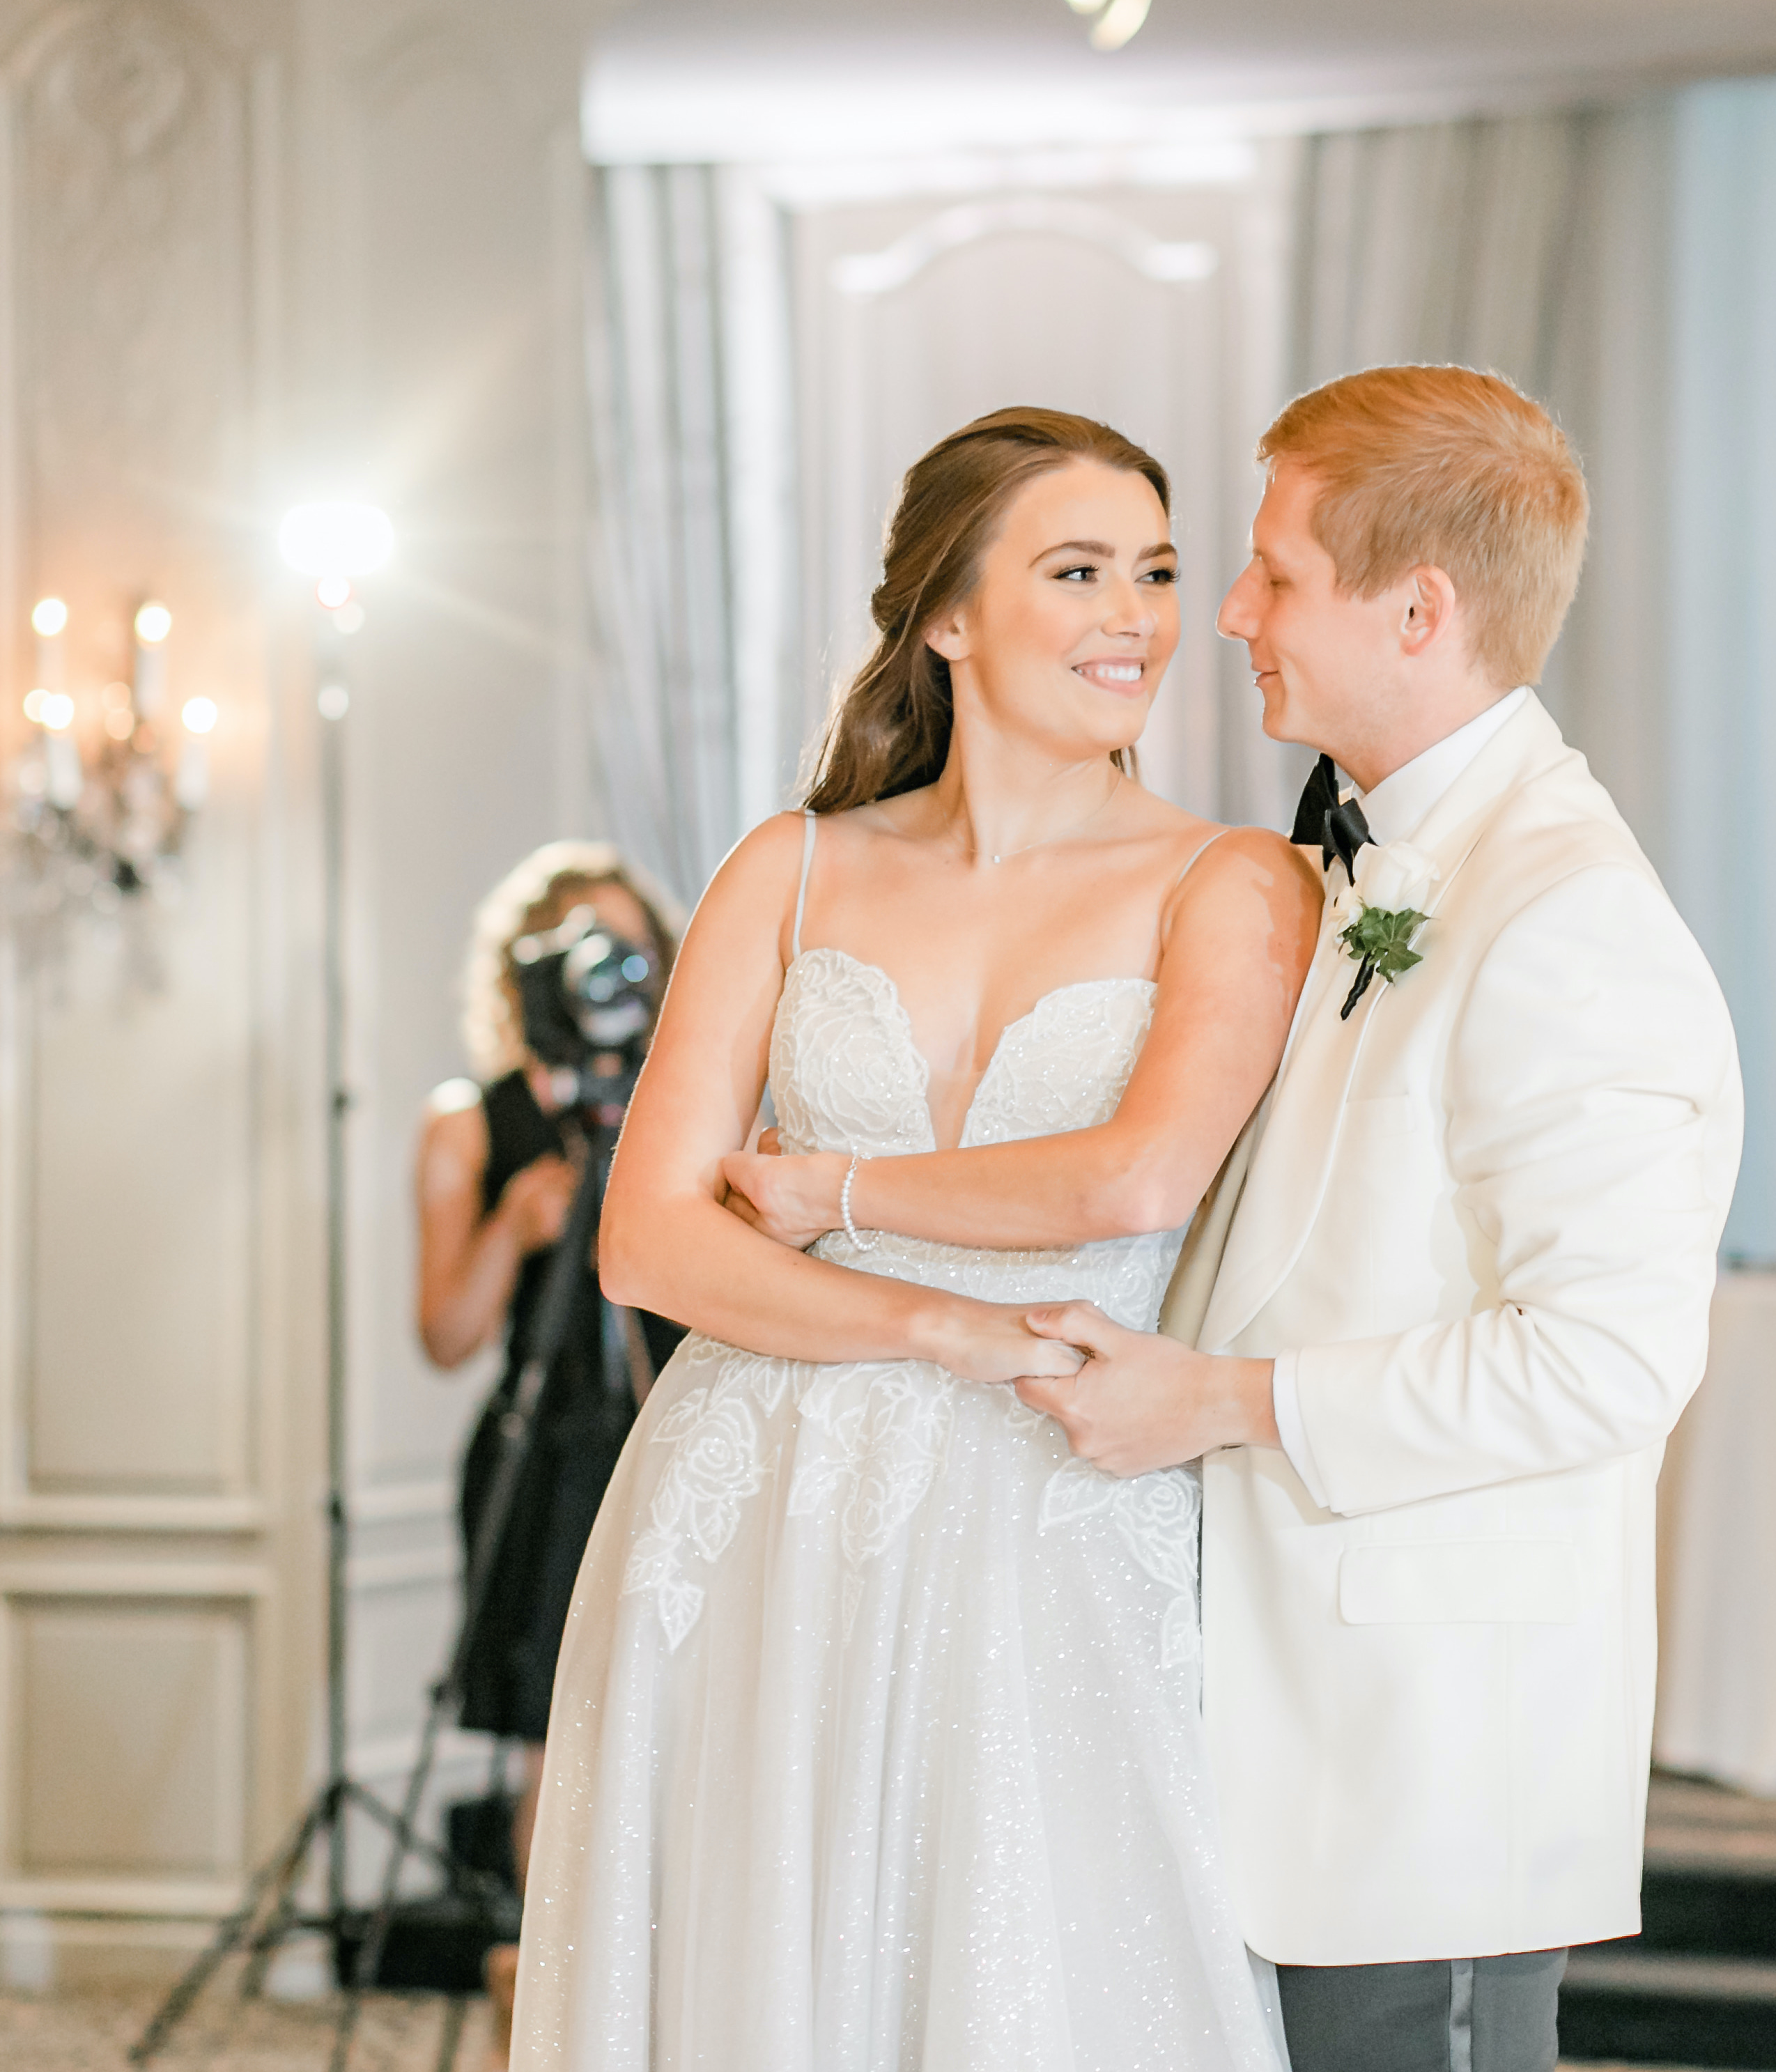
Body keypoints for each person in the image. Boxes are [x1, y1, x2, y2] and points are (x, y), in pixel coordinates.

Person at [725, 368, 1745, 2072]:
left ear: (1417, 609)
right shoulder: (1370, 861)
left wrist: (1223, 1399)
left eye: (1271, 573)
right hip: (1240, 1733)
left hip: (1424, 1767)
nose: (1230, 616)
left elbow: (1606, 1364)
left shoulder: (1567, 913)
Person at [511, 407, 1322, 2071]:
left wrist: (837, 1200)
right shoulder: (790, 869)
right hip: (750, 1508)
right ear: (946, 613)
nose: (1140, 616)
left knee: (1044, 1964)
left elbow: (1135, 1178)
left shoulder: (1233, 880)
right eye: (1080, 569)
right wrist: (941, 1326)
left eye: (1159, 572)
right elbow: (647, 1243)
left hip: (1051, 1501)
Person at [417, 842, 688, 2067]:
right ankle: (544, 1998)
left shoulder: (685, 1106)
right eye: (580, 954)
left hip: (672, 1434)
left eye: (628, 954)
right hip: (543, 1455)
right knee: (554, 1734)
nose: (607, 982)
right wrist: (518, 1220)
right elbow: (446, 1332)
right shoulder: (475, 1124)